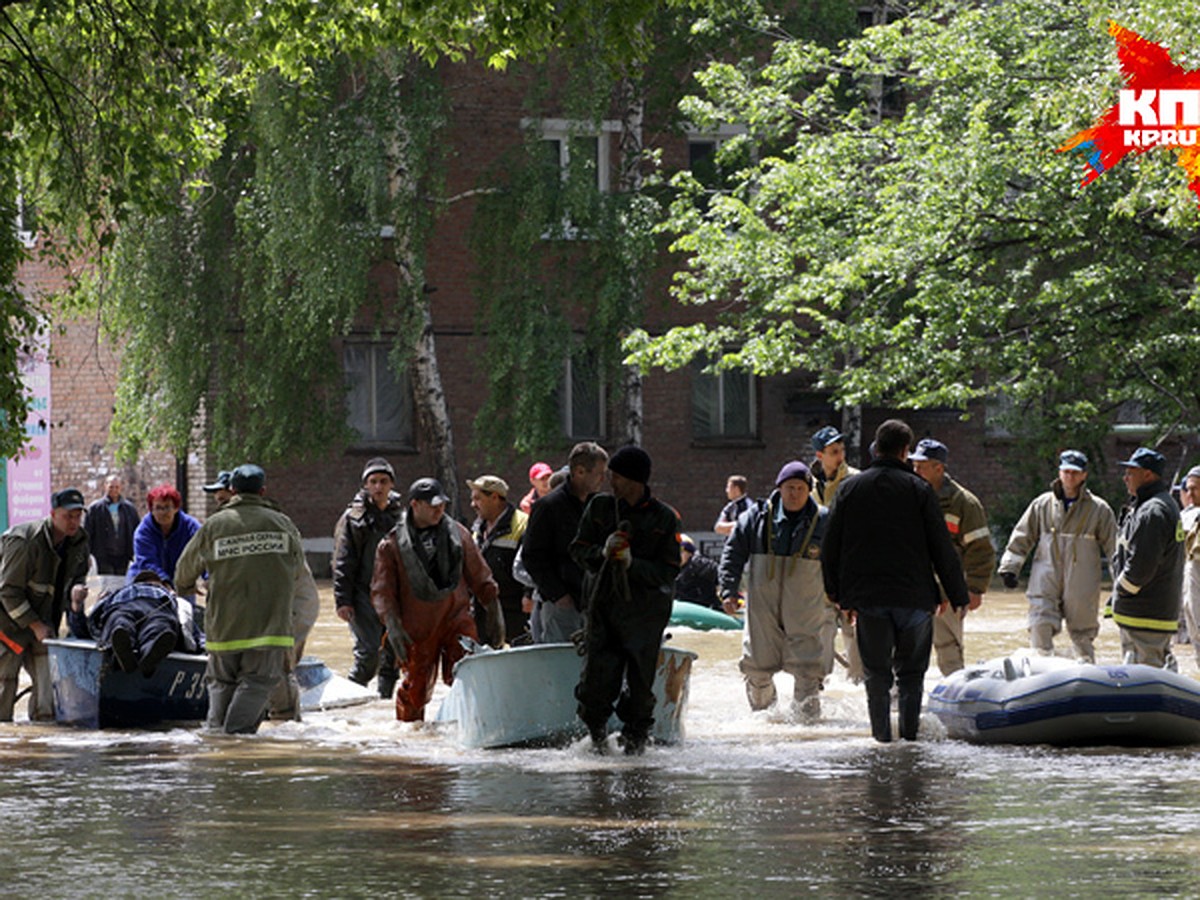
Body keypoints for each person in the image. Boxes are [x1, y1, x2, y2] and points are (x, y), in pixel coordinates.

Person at [822, 419, 970, 743]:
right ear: (905, 451)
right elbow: (941, 547)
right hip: (915, 598)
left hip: (869, 598)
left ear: (876, 448)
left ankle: (881, 740)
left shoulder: (850, 489)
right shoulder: (920, 490)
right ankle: (910, 738)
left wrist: (837, 595)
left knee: (876, 675)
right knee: (912, 674)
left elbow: (831, 546)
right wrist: (957, 594)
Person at [174, 464, 310, 734]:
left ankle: (217, 743)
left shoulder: (215, 525)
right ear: (262, 491)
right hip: (269, 629)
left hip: (224, 628)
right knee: (257, 683)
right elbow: (297, 571)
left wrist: (189, 587)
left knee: (221, 684)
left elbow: (182, 573)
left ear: (233, 490)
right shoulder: (283, 523)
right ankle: (232, 741)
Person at [571, 446, 680, 754]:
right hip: (603, 610)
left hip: (645, 617)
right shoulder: (600, 509)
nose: (611, 482)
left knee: (640, 691)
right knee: (595, 684)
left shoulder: (664, 518)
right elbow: (578, 550)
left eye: (617, 476)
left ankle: (635, 747)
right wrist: (601, 552)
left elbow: (669, 571)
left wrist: (633, 564)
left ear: (635, 480)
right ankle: (596, 742)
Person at [371, 477, 501, 722]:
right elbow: (382, 591)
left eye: (442, 504)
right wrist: (393, 626)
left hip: (456, 619)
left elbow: (480, 575)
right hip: (417, 627)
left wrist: (494, 609)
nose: (439, 510)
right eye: (433, 505)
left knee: (469, 675)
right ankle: (410, 740)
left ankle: (476, 726)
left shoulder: (459, 534)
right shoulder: (391, 545)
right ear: (415, 505)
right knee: (415, 690)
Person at [718, 460, 835, 721]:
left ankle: (806, 731)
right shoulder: (755, 518)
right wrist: (728, 590)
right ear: (779, 488)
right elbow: (733, 554)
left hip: (807, 607)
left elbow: (841, 561)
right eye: (789, 488)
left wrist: (844, 599)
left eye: (800, 488)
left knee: (808, 671)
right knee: (757, 668)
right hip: (763, 606)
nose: (794, 494)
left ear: (809, 491)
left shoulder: (824, 521)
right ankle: (766, 725)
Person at [997, 450, 1117, 662]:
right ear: (1059, 473)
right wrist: (1010, 567)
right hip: (1045, 576)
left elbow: (1114, 548)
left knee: (1082, 631)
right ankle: (1040, 669)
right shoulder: (1042, 504)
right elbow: (1022, 536)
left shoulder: (1099, 509)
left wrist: (1120, 583)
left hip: (1082, 580)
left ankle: (1087, 672)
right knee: (1039, 623)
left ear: (1084, 475)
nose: (1069, 477)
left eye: (1075, 472)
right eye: (1065, 471)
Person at [0, 488, 91, 721]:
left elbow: (77, 575)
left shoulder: (80, 541)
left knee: (49, 697)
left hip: (44, 626)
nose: (74, 522)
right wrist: (34, 625)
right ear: (53, 514)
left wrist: (75, 594)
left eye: (78, 515)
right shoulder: (25, 541)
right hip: (7, 626)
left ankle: (42, 750)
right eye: (68, 516)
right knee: (4, 690)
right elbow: (8, 591)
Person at [909, 438, 995, 675]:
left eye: (921, 466)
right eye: (914, 466)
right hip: (911, 588)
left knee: (949, 650)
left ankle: (957, 694)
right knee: (906, 650)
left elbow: (981, 549)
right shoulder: (908, 496)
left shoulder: (964, 503)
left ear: (939, 468)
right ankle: (899, 703)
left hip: (947, 591)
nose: (915, 471)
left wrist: (975, 589)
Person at [523, 442, 610, 643]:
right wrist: (559, 596)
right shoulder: (548, 507)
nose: (603, 479)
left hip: (594, 603)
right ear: (579, 471)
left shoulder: (599, 506)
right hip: (562, 605)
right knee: (561, 666)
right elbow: (532, 557)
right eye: (599, 473)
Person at [1106, 447, 1184, 667]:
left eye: (1131, 472)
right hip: (1146, 614)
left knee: (1146, 677)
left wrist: (1120, 589)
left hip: (1145, 616)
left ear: (1148, 475)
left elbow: (1141, 567)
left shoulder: (1153, 512)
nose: (1125, 478)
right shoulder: (1152, 505)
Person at [332, 457, 403, 697]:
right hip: (362, 593)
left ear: (392, 484)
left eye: (383, 481)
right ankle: (352, 699)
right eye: (373, 482)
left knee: (393, 655)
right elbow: (343, 560)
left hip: (394, 594)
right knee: (369, 652)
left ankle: (383, 705)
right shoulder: (353, 518)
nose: (378, 487)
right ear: (365, 486)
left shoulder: (403, 516)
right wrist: (343, 600)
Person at [67, 571, 203, 676]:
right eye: (144, 581)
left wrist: (204, 646)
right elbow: (84, 629)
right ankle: (124, 646)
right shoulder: (115, 594)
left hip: (158, 607)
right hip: (122, 606)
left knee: (160, 626)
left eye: (157, 582)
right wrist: (77, 604)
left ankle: (150, 652)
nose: (150, 583)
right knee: (119, 621)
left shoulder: (173, 600)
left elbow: (189, 628)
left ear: (168, 588)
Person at [468, 474, 529, 645]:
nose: (473, 505)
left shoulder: (522, 524)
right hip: (483, 611)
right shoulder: (478, 527)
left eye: (477, 499)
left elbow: (531, 563)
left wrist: (528, 595)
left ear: (494, 497)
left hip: (514, 611)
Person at [127, 484, 201, 587]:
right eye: (158, 508)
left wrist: (208, 578)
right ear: (151, 510)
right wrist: (165, 582)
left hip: (181, 579)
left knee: (185, 602)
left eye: (167, 507)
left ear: (176, 508)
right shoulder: (143, 531)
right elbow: (147, 562)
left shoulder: (191, 527)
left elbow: (203, 552)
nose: (162, 513)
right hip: (148, 579)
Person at [84, 475, 139, 592]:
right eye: (111, 487)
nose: (114, 490)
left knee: (121, 586)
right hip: (103, 555)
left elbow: (136, 531)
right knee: (106, 587)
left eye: (116, 487)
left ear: (121, 488)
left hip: (123, 555)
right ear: (105, 487)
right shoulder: (95, 508)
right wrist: (87, 554)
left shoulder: (129, 508)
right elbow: (87, 533)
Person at [1180, 466, 1200, 666]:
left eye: (1195, 488)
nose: (1190, 494)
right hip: (1190, 585)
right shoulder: (1187, 516)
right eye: (1188, 489)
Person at [811, 426, 860, 508]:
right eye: (834, 452)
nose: (841, 456)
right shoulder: (809, 483)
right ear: (820, 455)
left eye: (843, 450)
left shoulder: (856, 479)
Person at [674, 534, 720, 609]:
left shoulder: (703, 566)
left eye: (680, 551)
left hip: (706, 611)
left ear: (689, 552)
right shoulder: (671, 570)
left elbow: (723, 577)